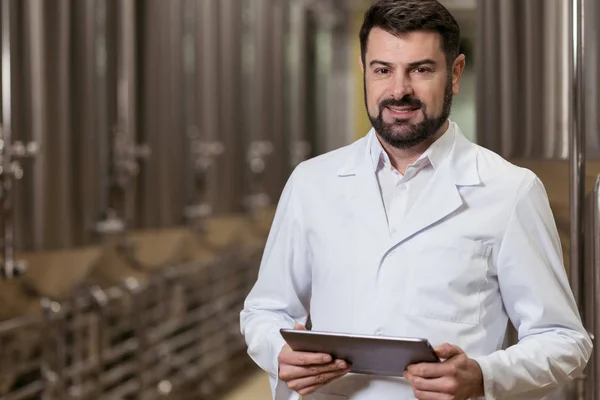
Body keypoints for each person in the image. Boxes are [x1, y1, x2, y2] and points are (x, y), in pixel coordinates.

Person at [240, 0, 592, 399]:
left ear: (455, 74)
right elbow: (265, 311)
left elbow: (564, 340)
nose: (398, 90)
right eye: (383, 70)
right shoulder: (312, 182)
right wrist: (279, 352)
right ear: (364, 71)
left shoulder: (509, 190)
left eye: (421, 70)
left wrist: (484, 375)